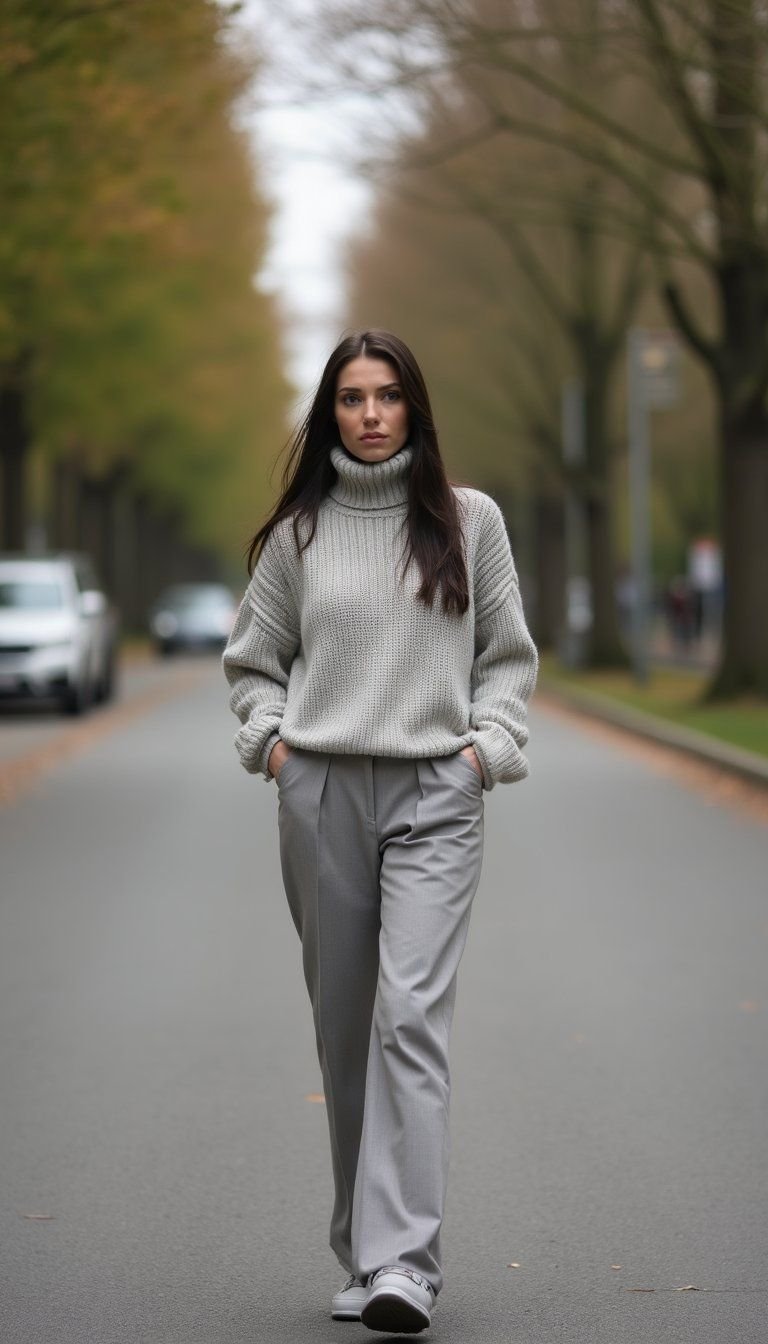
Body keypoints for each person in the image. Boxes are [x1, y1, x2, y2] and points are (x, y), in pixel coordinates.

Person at [222, 330, 538, 1335]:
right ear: (331, 413)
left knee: (409, 1018)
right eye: (352, 397)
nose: (371, 414)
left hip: (437, 795)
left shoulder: (470, 522)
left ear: (415, 408)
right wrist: (275, 749)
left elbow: (507, 656)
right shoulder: (298, 536)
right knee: (346, 1026)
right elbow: (252, 661)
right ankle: (363, 1250)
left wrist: (484, 752)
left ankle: (404, 1263)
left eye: (389, 395)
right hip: (320, 793)